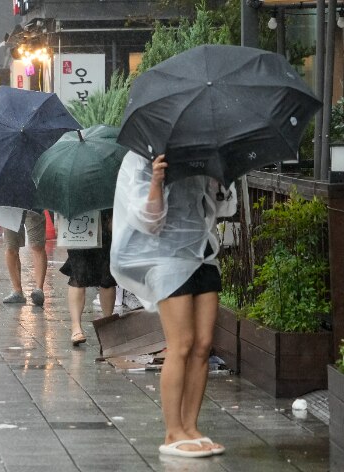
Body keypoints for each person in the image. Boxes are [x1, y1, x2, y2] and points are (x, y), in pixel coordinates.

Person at [110, 151, 236, 458]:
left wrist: (220, 180)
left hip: (203, 254)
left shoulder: (203, 154)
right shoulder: (141, 159)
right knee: (181, 344)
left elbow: (223, 208)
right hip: (164, 257)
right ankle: (172, 432)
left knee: (204, 344)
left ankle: (191, 427)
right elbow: (146, 220)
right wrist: (156, 180)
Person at [60, 209, 116, 346]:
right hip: (77, 222)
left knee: (107, 277)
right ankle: (76, 327)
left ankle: (107, 325)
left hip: (105, 223)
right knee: (78, 275)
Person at [2, 210, 47, 306]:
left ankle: (39, 290)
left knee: (37, 245)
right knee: (11, 248)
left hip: (33, 202)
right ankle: (17, 291)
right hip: (9, 205)